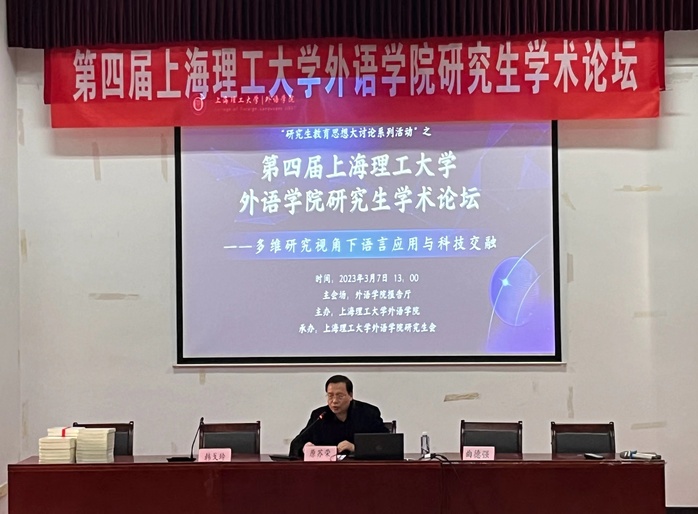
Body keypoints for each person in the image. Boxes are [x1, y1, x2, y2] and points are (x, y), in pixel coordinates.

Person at [289, 375, 389, 458]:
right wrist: (305, 448)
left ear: (350, 395)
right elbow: (296, 444)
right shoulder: (320, 415)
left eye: (340, 396)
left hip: (360, 469)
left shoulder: (368, 413)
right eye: (330, 396)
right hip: (326, 470)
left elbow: (384, 445)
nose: (334, 401)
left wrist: (356, 448)